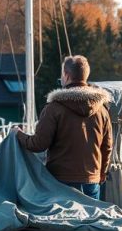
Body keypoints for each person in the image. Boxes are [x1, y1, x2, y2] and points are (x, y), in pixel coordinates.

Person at [14, 55, 112, 198]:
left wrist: (18, 134)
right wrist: (101, 173)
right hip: (92, 181)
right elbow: (107, 146)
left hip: (60, 181)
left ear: (66, 75)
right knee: (90, 220)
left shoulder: (54, 108)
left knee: (65, 220)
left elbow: (38, 144)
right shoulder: (102, 110)